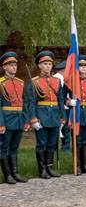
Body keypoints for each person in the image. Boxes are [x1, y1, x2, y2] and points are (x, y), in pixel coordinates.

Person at [27, 51, 66, 179]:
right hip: (41, 116)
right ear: (39, 65)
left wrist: (63, 116)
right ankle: (42, 169)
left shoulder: (57, 81)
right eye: (45, 63)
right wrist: (33, 119)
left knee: (52, 143)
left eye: (49, 63)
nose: (48, 66)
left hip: (54, 115)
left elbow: (60, 100)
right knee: (41, 143)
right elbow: (31, 102)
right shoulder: (34, 82)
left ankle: (49, 167)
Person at [63, 54, 86, 174]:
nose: (82, 68)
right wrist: (68, 102)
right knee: (77, 140)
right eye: (80, 65)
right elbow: (62, 96)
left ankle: (85, 165)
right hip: (75, 113)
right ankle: (77, 165)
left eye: (85, 65)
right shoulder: (70, 81)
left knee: (85, 140)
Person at [0, 51, 29, 184]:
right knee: (4, 148)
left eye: (15, 64)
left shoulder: (20, 82)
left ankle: (15, 173)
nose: (14, 67)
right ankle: (8, 175)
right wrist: (1, 124)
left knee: (14, 147)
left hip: (18, 120)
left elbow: (24, 102)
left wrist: (25, 120)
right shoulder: (1, 83)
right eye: (10, 65)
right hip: (6, 119)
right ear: (4, 67)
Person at [52, 61, 71, 153]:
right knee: (57, 128)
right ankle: (57, 147)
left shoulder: (64, 78)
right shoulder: (57, 79)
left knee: (66, 129)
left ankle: (65, 147)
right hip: (59, 107)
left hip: (65, 107)